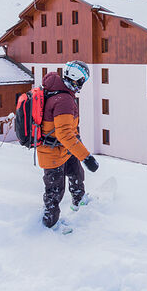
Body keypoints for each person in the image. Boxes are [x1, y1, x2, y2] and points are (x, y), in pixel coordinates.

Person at [37, 61, 99, 228]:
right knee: (55, 193)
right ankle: (49, 225)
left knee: (76, 174)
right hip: (52, 153)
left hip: (62, 149)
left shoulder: (59, 92)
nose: (82, 85)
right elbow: (65, 133)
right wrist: (87, 157)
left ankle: (79, 201)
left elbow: (68, 131)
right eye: (82, 80)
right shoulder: (63, 100)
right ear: (75, 79)